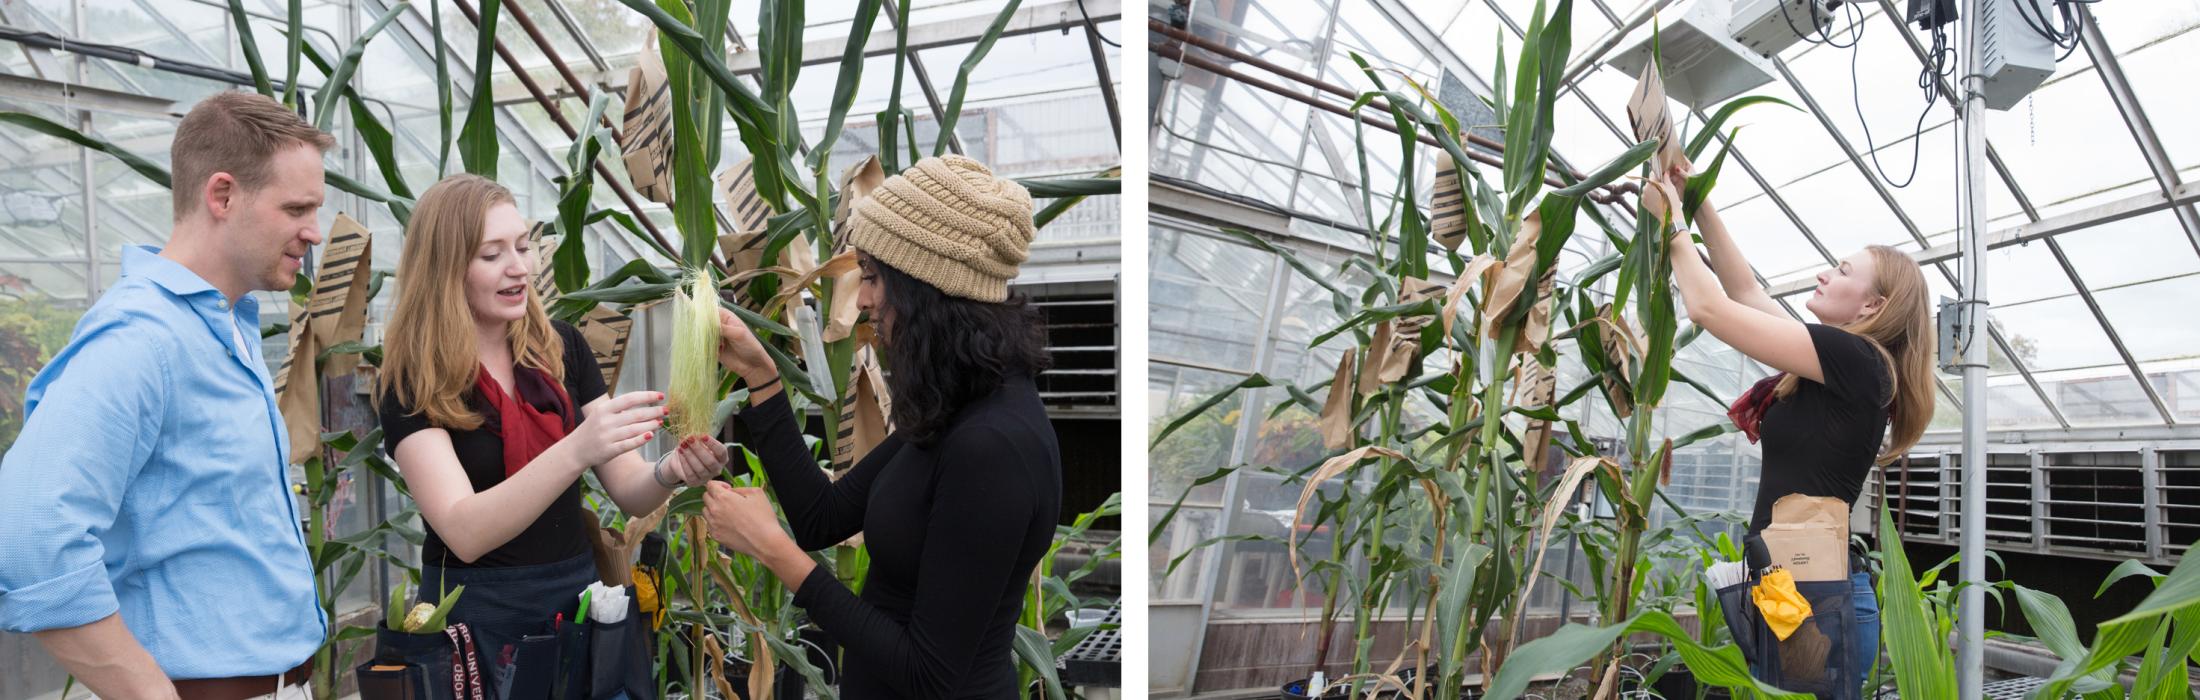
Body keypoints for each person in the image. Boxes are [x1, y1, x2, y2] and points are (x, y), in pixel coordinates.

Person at [0, 91, 334, 700]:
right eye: (296, 208)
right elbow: (30, 536)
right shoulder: (142, 340)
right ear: (223, 195)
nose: (314, 231)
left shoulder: (224, 325)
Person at [701, 155, 1062, 699]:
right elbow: (823, 518)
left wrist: (772, 550)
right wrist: (763, 377)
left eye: (872, 277)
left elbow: (929, 674)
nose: (863, 298)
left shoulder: (992, 446)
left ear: (926, 285)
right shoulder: (958, 404)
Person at [374, 174, 726, 676]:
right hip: (475, 620)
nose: (519, 267)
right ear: (445, 266)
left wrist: (671, 470)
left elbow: (629, 489)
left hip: (574, 605)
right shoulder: (413, 378)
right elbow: (464, 532)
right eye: (492, 254)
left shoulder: (561, 348)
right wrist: (576, 450)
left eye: (522, 246)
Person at [1646, 159, 1934, 686]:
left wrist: (1671, 226)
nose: (1826, 272)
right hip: (1792, 591)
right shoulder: (1834, 365)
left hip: (1818, 601)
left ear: (1873, 303)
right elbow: (1744, 294)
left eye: (1843, 270)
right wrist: (1695, 200)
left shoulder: (1859, 362)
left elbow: (1708, 309)